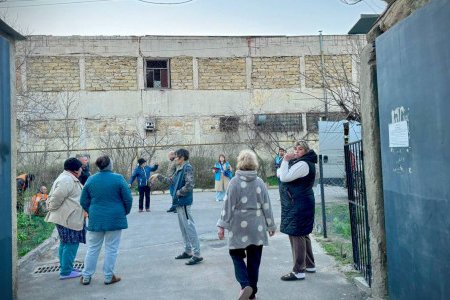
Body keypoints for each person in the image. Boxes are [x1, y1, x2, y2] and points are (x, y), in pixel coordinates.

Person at [217, 150, 276, 300]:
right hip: (257, 226)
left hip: (238, 224)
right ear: (254, 163)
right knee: (254, 260)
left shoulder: (234, 182)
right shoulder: (260, 182)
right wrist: (270, 225)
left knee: (235, 254)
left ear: (239, 163)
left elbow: (227, 205)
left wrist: (222, 225)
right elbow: (266, 205)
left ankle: (245, 285)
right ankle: (252, 294)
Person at [80, 155, 133, 285]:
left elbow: (83, 200)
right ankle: (109, 277)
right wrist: (123, 212)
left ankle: (86, 276)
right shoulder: (118, 178)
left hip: (96, 218)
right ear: (110, 165)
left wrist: (91, 211)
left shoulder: (91, 180)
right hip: (115, 217)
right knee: (112, 248)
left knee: (93, 248)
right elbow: (128, 199)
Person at [151, 148, 203, 265]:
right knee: (184, 229)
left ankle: (197, 254)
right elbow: (170, 181)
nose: (175, 158)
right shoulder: (179, 169)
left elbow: (190, 185)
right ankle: (188, 251)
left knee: (189, 228)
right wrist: (158, 175)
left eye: (177, 156)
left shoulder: (187, 167)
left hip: (184, 202)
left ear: (182, 157)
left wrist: (179, 193)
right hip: (179, 203)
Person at [278, 140, 317, 281]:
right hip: (301, 201)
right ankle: (309, 264)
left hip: (298, 203)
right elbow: (282, 174)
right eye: (295, 149)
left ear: (306, 151)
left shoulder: (302, 164)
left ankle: (298, 271)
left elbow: (284, 176)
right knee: (303, 233)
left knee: (297, 234)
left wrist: (285, 161)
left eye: (300, 149)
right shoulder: (304, 163)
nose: (296, 151)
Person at [44, 158, 86, 280]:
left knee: (65, 242)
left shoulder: (67, 177)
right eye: (80, 168)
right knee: (71, 243)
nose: (81, 170)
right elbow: (56, 198)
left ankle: (66, 267)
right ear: (75, 170)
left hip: (67, 217)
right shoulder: (67, 180)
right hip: (68, 218)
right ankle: (66, 272)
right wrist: (52, 207)